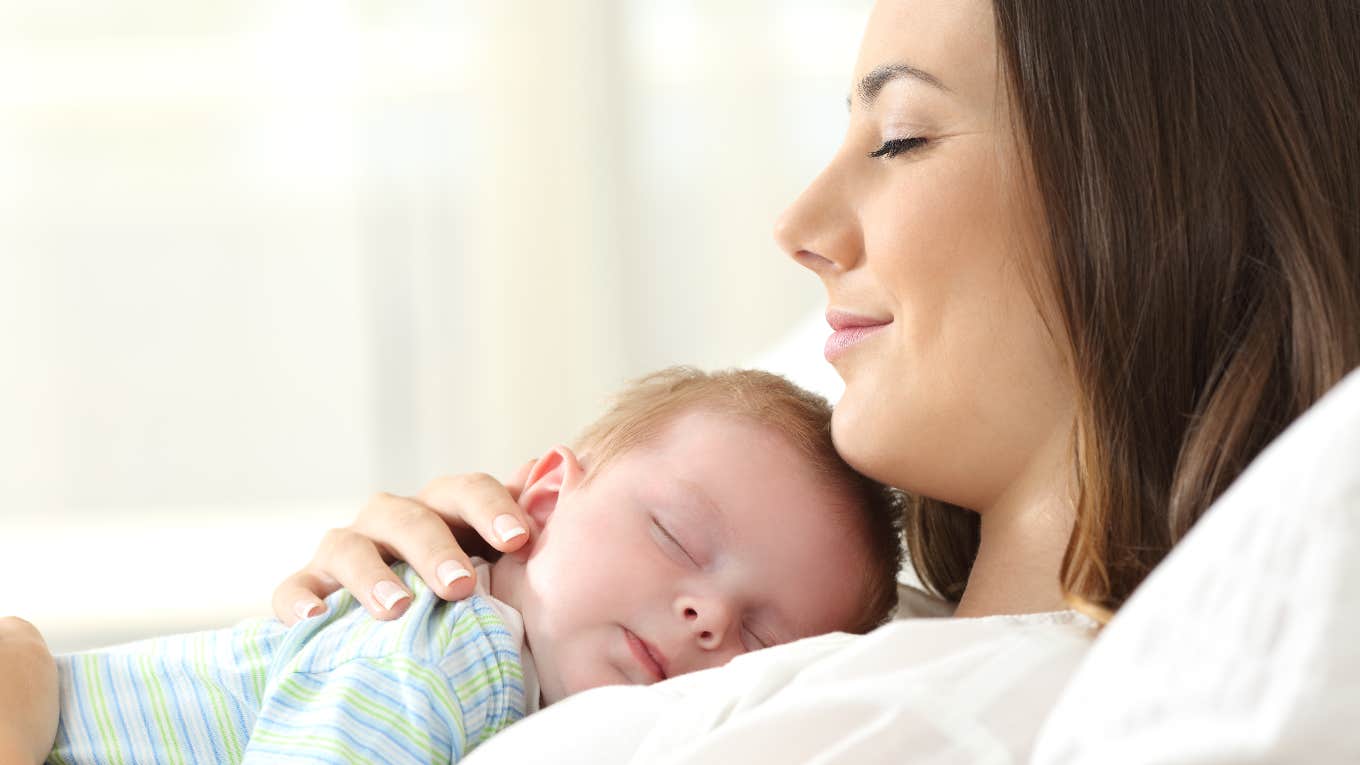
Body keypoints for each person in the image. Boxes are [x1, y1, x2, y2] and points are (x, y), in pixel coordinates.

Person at [5, 0, 1357, 761]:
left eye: (899, 136)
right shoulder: (868, 628)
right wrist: (422, 626)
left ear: (1148, 198)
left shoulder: (962, 715)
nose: (799, 223)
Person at [28, 368, 906, 765]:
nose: (708, 617)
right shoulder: (463, 649)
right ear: (548, 494)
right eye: (676, 537)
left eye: (762, 634)